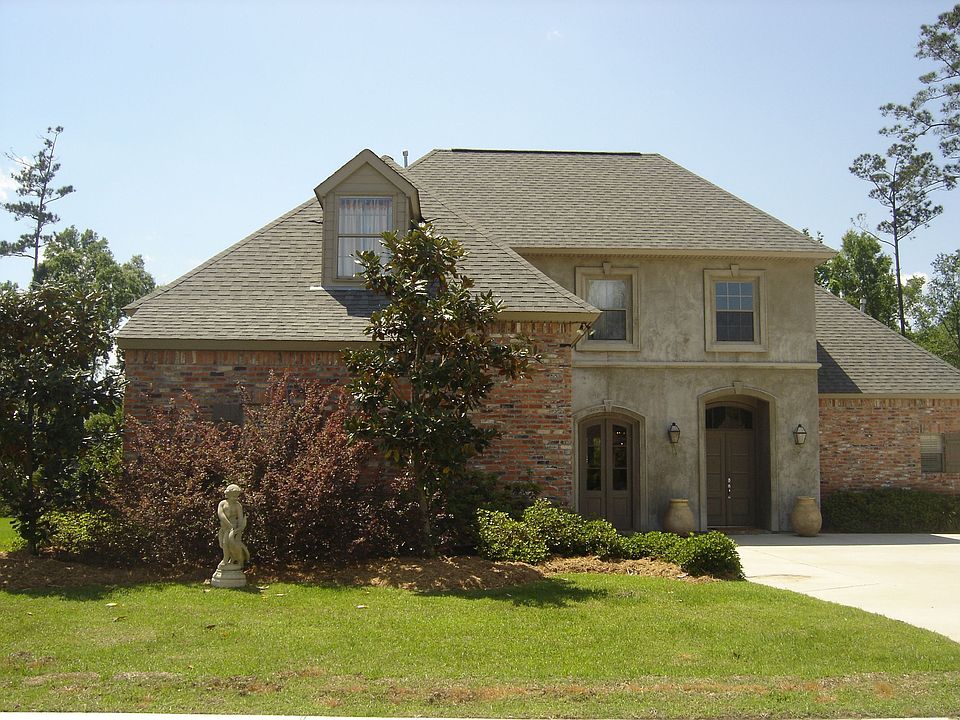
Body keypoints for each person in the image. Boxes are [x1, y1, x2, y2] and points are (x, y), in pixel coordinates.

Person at [217, 484, 249, 568]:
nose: (235, 498)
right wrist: (228, 524)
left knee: (231, 544)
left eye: (237, 496)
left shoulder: (238, 505)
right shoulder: (222, 504)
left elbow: (240, 518)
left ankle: (228, 559)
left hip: (234, 528)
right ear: (228, 495)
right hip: (225, 527)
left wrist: (239, 529)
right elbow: (221, 514)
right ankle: (228, 559)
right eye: (233, 496)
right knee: (223, 544)